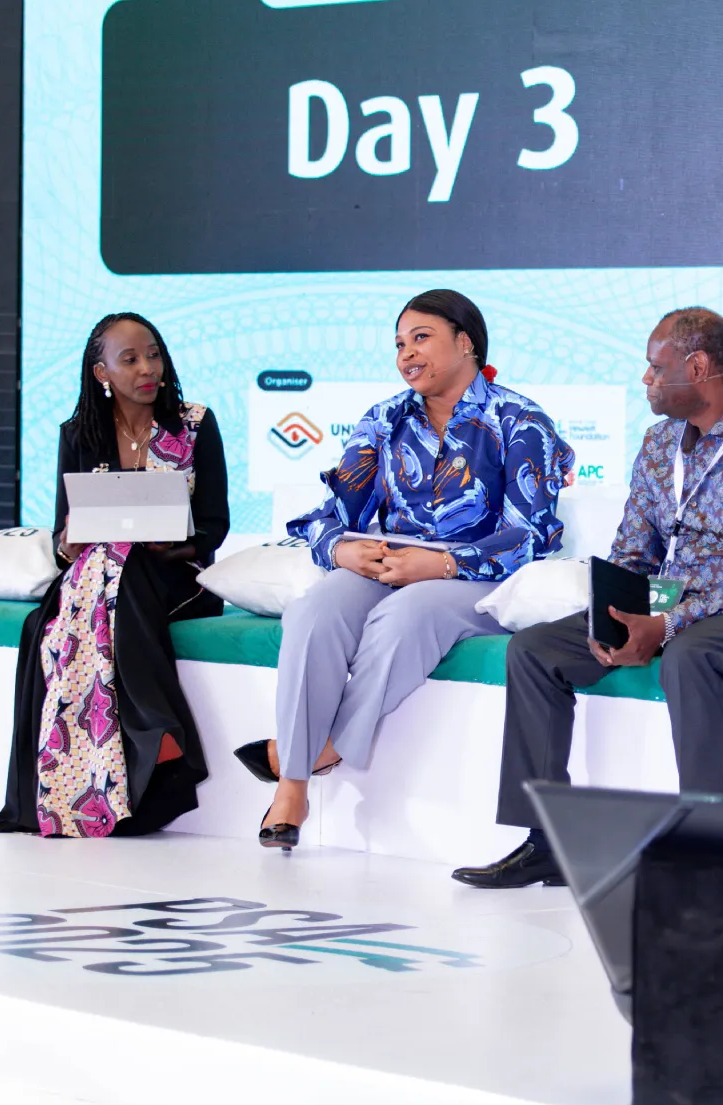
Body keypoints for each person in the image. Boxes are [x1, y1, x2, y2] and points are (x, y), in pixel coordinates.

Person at [452, 307, 723, 888]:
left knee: (690, 654)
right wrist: (616, 615)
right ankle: (547, 842)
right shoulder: (659, 444)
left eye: (656, 367)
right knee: (534, 651)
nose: (646, 379)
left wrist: (669, 624)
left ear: (697, 367)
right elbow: (633, 550)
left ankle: (703, 848)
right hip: (673, 604)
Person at [235, 289, 575, 850]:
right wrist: (340, 551)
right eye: (399, 344)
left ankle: (315, 752)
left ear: (465, 343)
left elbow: (531, 534)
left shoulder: (521, 421)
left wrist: (443, 562)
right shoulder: (384, 419)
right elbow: (329, 513)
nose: (407, 354)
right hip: (392, 560)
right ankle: (293, 786)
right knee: (314, 610)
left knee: (407, 614)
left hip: (480, 575)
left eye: (421, 338)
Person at [0, 313, 229, 837]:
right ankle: (133, 751)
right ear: (102, 373)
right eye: (131, 359)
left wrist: (174, 543)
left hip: (175, 576)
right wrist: (68, 542)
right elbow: (63, 538)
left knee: (127, 571)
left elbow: (214, 526)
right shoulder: (78, 434)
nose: (148, 369)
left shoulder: (195, 424)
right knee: (51, 617)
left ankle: (151, 748)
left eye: (154, 355)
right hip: (98, 576)